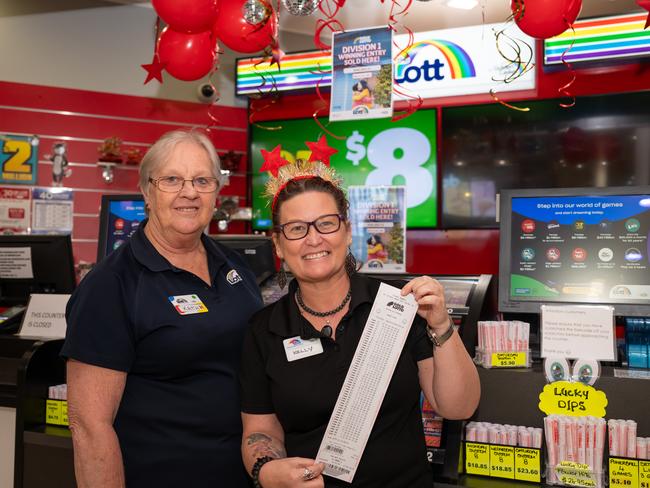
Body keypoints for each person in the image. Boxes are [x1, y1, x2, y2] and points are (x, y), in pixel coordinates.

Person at [239, 156, 480, 487]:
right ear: (278, 244)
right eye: (296, 229)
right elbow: (260, 429)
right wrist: (265, 470)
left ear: (348, 231)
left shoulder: (396, 305)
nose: (313, 239)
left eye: (326, 223)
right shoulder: (263, 330)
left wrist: (441, 325)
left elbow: (458, 407)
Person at [62, 129, 263, 487]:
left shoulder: (235, 267)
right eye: (172, 179)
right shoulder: (112, 285)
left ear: (216, 193)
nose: (190, 192)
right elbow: (90, 427)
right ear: (147, 193)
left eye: (202, 180)